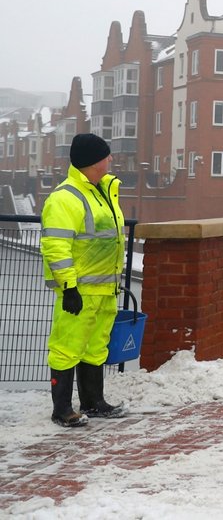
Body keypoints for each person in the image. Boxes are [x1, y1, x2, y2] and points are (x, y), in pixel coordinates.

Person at [41, 133, 128, 427]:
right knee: (66, 348)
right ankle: (62, 410)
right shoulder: (65, 198)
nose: (111, 160)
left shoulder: (103, 191)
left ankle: (94, 402)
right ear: (93, 161)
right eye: (106, 156)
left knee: (95, 347)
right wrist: (69, 287)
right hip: (80, 290)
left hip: (104, 288)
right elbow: (56, 247)